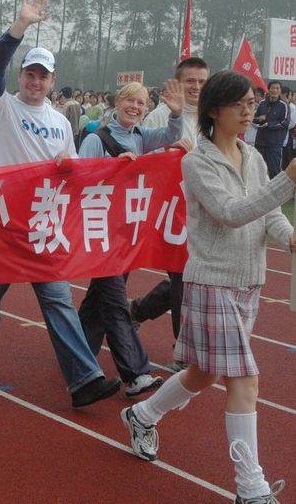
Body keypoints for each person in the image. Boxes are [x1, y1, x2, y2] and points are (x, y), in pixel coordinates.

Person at [122, 71, 291, 504]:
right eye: (240, 104)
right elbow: (230, 213)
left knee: (204, 373)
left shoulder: (254, 158)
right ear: (215, 110)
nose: (249, 111)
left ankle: (143, 414)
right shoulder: (197, 162)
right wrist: (289, 179)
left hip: (249, 281)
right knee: (245, 378)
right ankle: (250, 487)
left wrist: (289, 235)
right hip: (212, 280)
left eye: (252, 103)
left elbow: (267, 214)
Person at [0, 0, 121, 407]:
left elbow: (75, 172)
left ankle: (84, 379)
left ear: (52, 80)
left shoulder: (61, 122)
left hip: (43, 227)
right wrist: (20, 26)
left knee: (58, 300)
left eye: (42, 76)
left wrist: (71, 166)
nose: (35, 81)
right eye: (29, 74)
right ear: (21, 76)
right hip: (1, 223)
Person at [77, 80, 185, 397]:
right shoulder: (96, 139)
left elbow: (171, 135)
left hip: (127, 234)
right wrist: (113, 169)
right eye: (130, 101)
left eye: (141, 103)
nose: (135, 108)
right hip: (101, 232)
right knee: (114, 302)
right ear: (118, 102)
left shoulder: (140, 136)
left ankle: (78, 354)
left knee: (100, 297)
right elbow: (79, 179)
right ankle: (136, 372)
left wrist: (176, 114)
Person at [130, 57, 210, 369]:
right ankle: (184, 349)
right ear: (177, 82)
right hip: (170, 209)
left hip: (205, 209)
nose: (196, 87)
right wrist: (171, 153)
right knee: (183, 275)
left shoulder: (213, 116)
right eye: (190, 81)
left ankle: (137, 310)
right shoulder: (160, 116)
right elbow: (143, 159)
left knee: (193, 277)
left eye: (202, 81)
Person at [253, 81, 289, 177]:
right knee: (258, 170)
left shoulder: (284, 105)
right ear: (268, 90)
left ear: (280, 90)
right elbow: (254, 118)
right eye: (273, 88)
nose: (274, 90)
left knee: (274, 170)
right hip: (260, 141)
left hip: (274, 143)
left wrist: (269, 124)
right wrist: (259, 119)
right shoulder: (262, 103)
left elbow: (285, 122)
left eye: (277, 88)